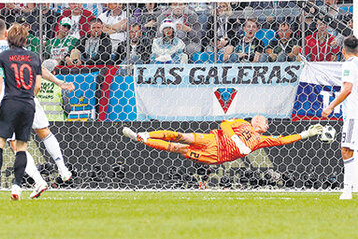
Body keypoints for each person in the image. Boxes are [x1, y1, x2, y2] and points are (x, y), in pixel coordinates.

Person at [0, 23, 42, 201]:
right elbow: (37, 85)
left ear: (8, 36)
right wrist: (28, 98)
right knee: (21, 147)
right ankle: (17, 187)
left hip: (9, 103)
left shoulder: (1, 57)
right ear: (26, 39)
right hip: (28, 104)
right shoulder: (34, 57)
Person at [122, 116, 324, 165]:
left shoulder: (261, 139)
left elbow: (284, 140)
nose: (268, 125)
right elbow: (224, 124)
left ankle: (140, 139)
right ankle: (145, 134)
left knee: (178, 148)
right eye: (266, 121)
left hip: (216, 155)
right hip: (213, 140)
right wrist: (235, 138)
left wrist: (307, 133)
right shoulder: (242, 123)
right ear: (256, 120)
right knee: (180, 136)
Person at [322, 35, 358, 200]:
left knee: (346, 149)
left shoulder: (348, 65)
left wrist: (330, 106)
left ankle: (347, 190)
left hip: (353, 114)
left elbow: (347, 89)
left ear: (343, 51)